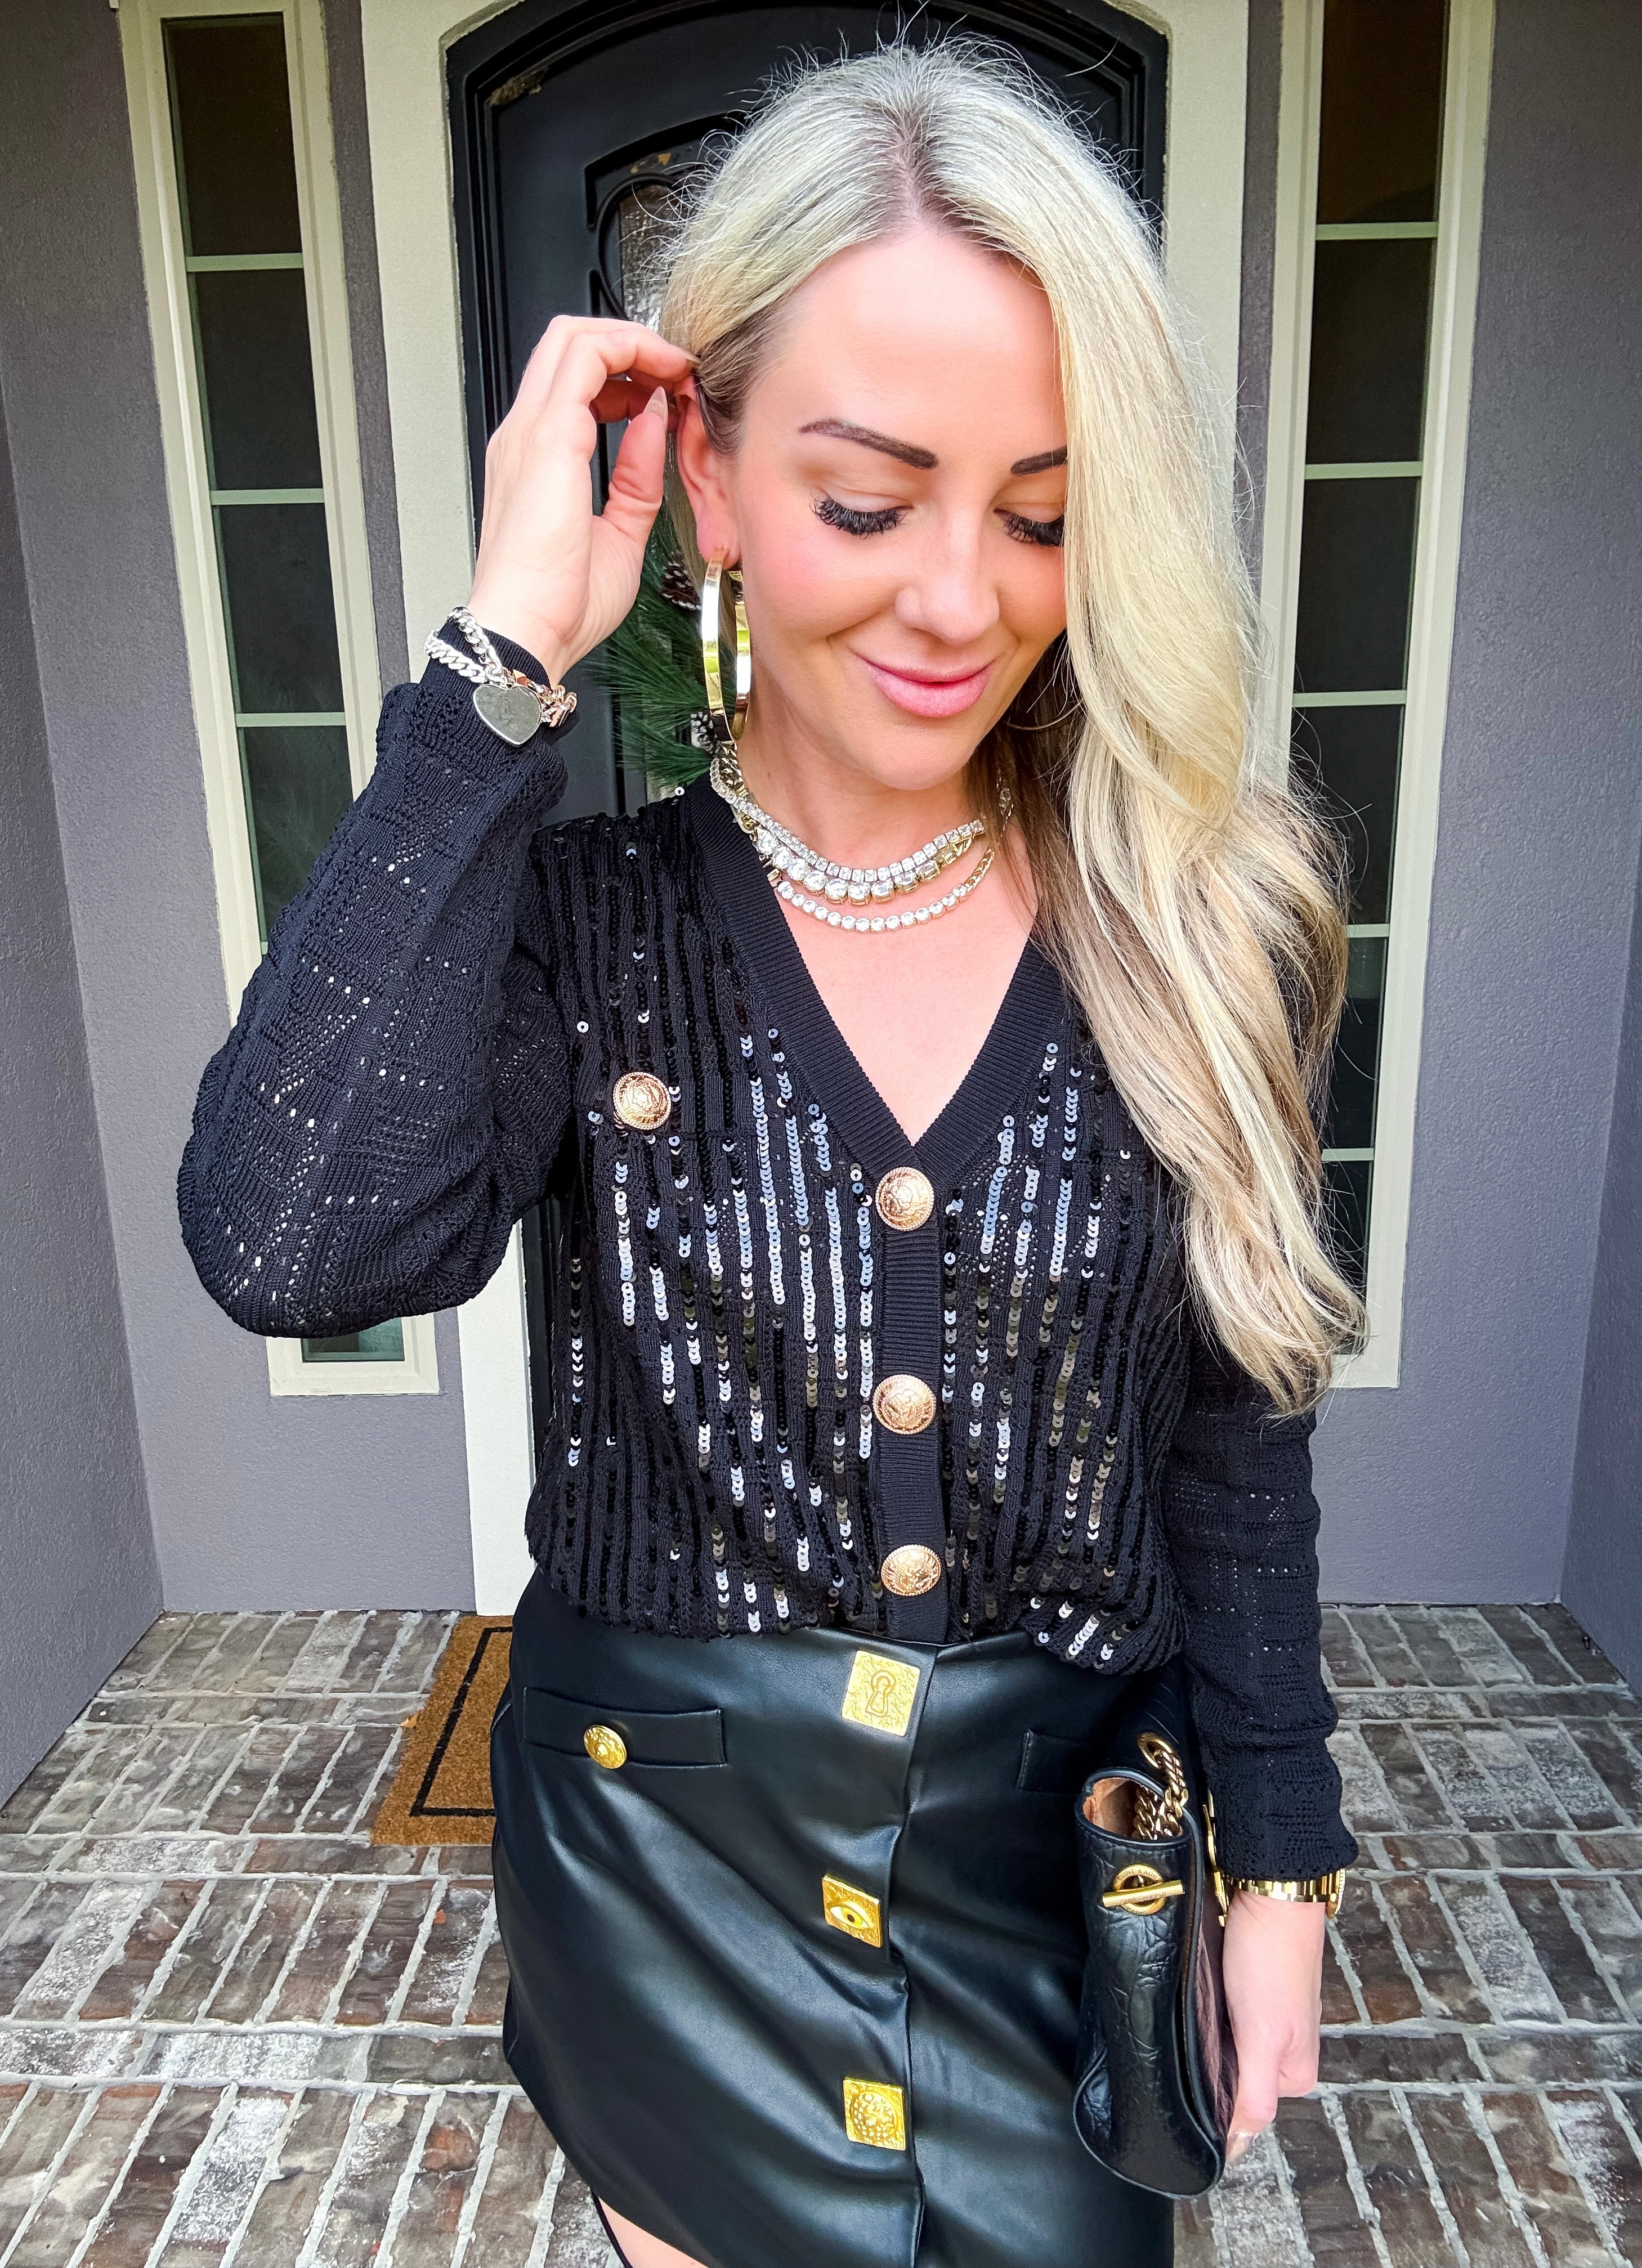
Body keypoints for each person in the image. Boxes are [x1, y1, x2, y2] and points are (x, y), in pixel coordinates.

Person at [178, 42, 1362, 2268]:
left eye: (1041, 513)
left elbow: (1236, 1437)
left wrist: (1278, 1862)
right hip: (670, 1874)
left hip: (1054, 1866)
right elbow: (289, 1238)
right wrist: (500, 666)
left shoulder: (1207, 925)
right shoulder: (575, 933)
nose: (960, 601)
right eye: (866, 502)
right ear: (706, 479)